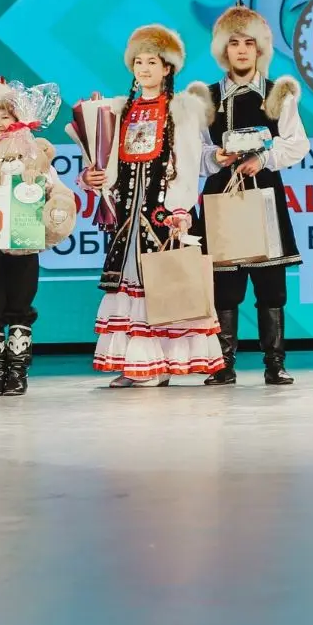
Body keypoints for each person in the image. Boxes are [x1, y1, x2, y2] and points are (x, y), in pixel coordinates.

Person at [81, 24, 224, 387]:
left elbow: (188, 161)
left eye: (152, 62)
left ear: (167, 68)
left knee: (162, 284)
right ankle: (136, 363)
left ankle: (158, 365)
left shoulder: (182, 110)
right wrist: (92, 178)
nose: (143, 69)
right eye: (138, 62)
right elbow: (106, 162)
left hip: (161, 214)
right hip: (128, 215)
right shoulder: (119, 109)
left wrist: (180, 209)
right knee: (130, 286)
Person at [191, 3, 308, 386]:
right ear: (222, 49)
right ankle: (223, 364)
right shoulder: (206, 98)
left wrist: (264, 158)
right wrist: (215, 157)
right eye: (234, 43)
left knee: (271, 286)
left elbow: (297, 144)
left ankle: (275, 363)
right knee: (225, 287)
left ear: (260, 48)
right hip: (222, 196)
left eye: (249, 43)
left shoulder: (278, 94)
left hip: (265, 196)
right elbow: (194, 152)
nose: (241, 50)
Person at [0, 79, 71, 396]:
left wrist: (36, 179)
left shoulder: (34, 154)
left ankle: (18, 372)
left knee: (21, 305)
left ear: (18, 119)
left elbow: (54, 187)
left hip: (24, 243)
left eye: (5, 116)